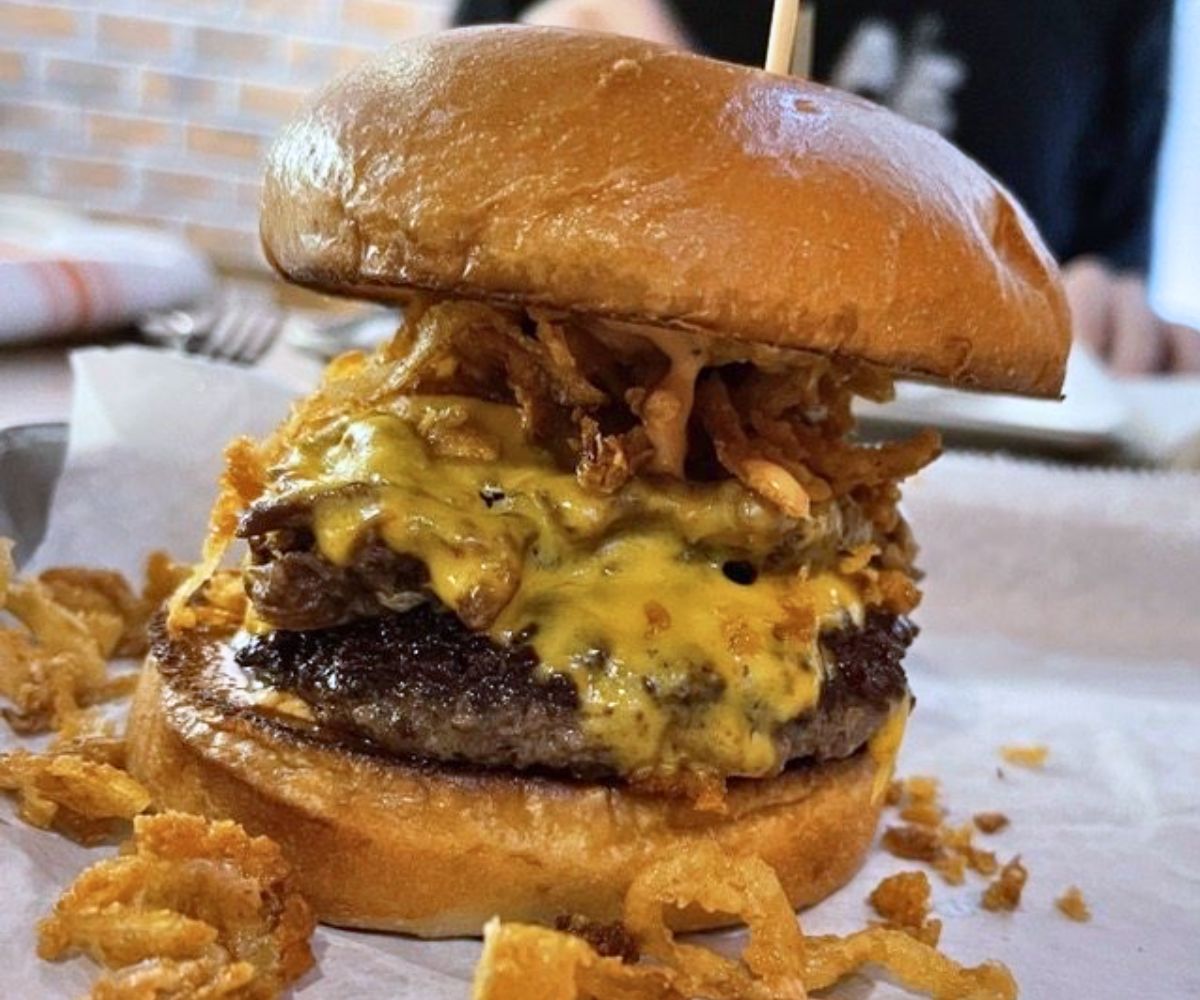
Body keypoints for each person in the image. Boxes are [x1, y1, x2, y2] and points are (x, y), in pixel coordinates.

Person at [454, 0, 1200, 374]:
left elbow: (1106, 266)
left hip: (1004, 523)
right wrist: (518, 84)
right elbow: (412, 233)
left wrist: (1116, 326)